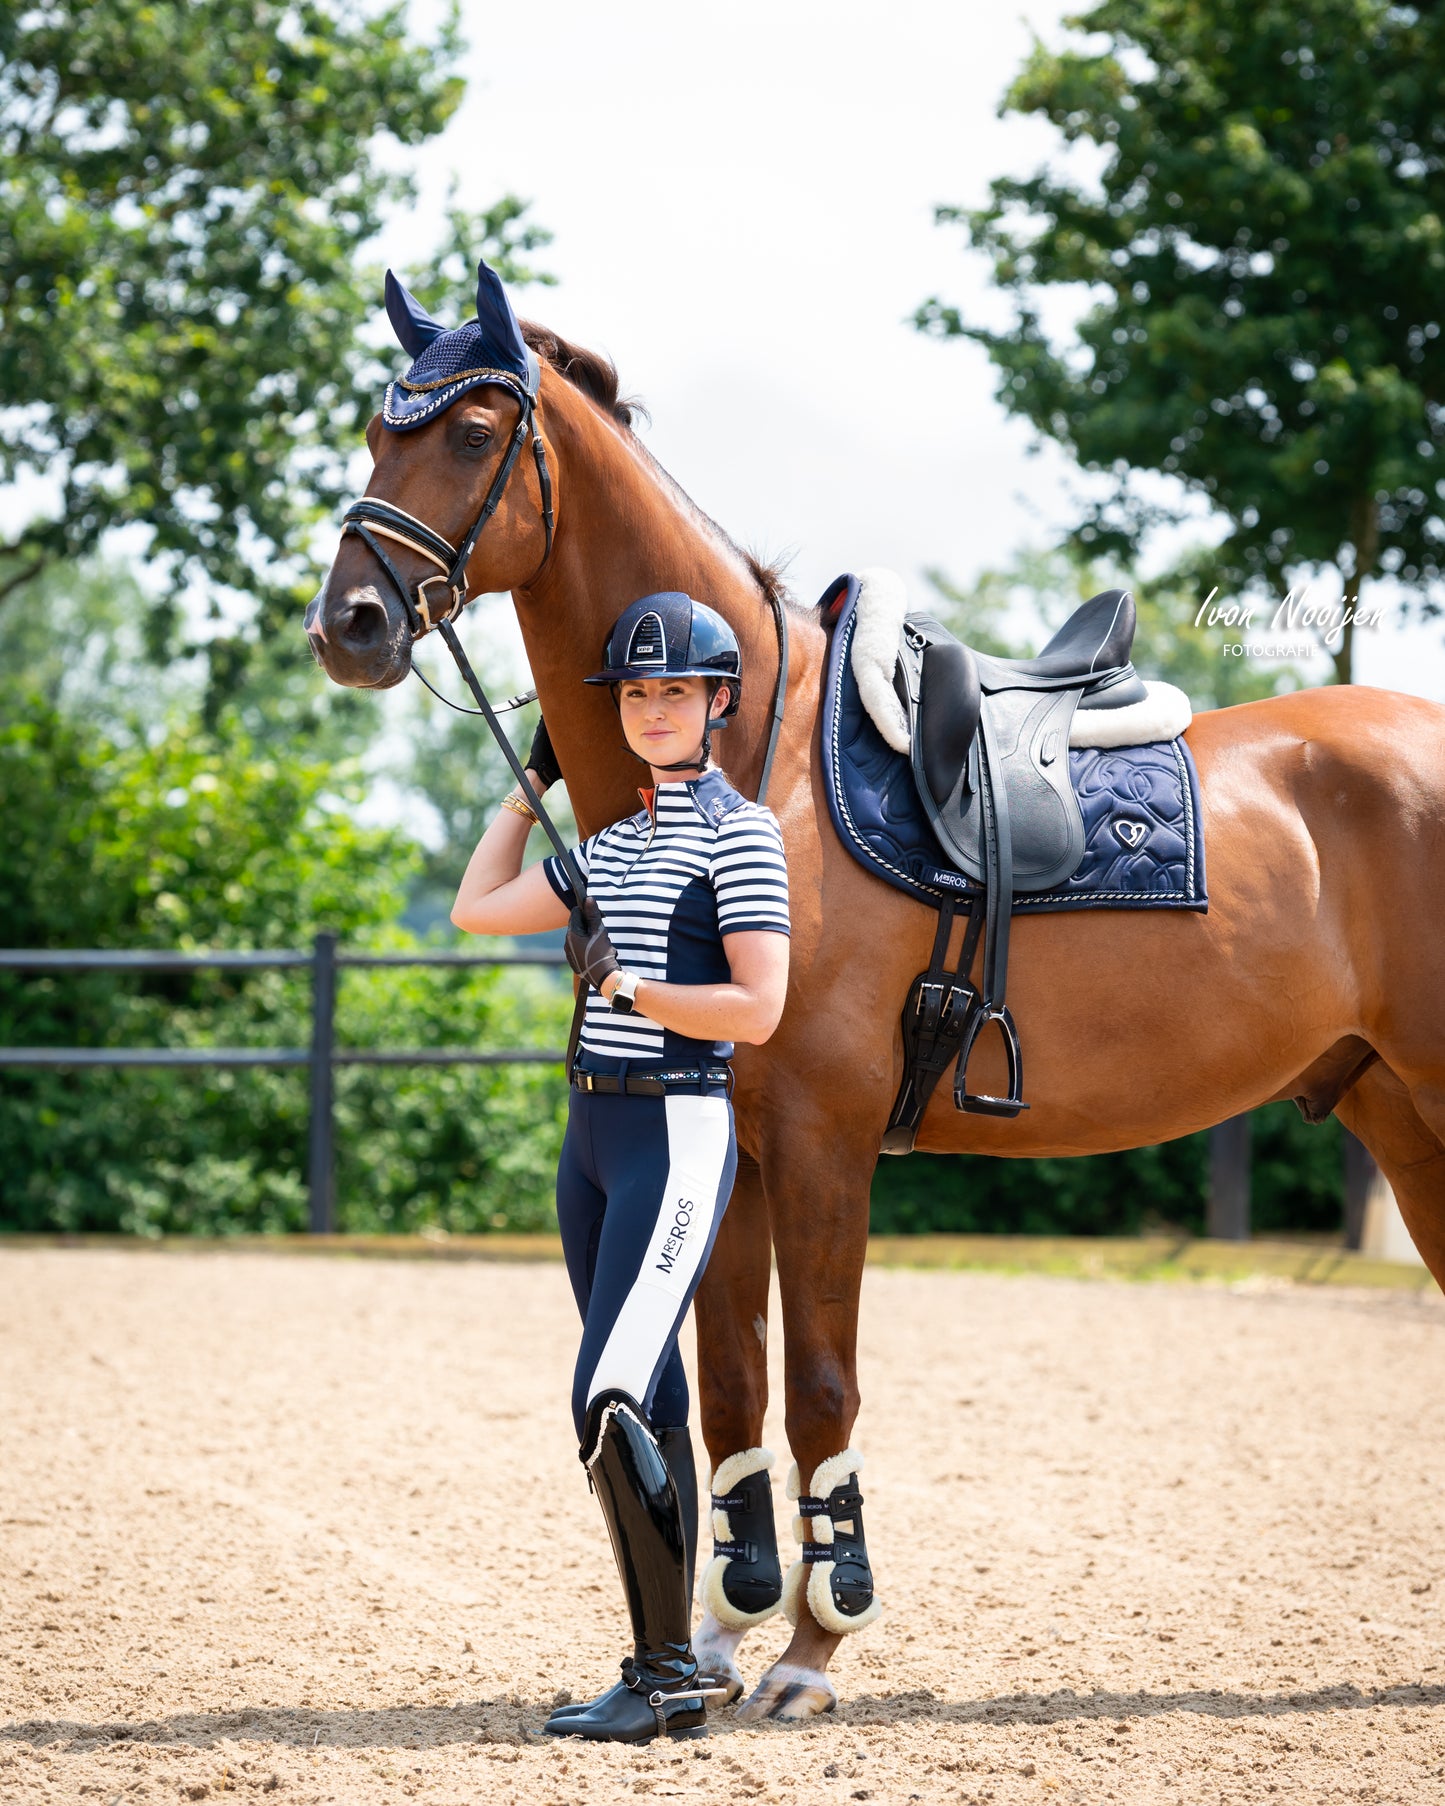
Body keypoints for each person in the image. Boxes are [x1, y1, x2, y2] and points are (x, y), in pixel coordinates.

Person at [450, 591, 791, 1743]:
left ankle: (662, 1671)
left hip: (674, 1133)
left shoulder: (738, 835)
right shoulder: (609, 843)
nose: (652, 710)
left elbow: (756, 1007)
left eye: (674, 692)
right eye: (634, 695)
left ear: (715, 704)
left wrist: (628, 987)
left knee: (602, 1393)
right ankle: (674, 1673)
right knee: (644, 1396)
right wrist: (530, 783)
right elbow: (474, 907)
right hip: (589, 1142)